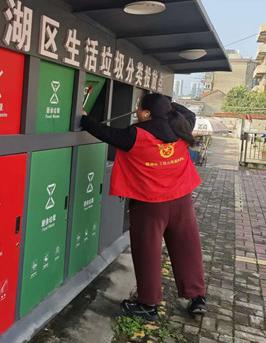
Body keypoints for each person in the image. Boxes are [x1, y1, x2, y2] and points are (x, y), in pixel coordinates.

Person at [81, 93, 206, 321]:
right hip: (182, 201)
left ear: (147, 113)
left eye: (139, 108)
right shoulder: (182, 126)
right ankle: (197, 296)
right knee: (187, 246)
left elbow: (105, 133)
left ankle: (148, 304)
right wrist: (167, 106)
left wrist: (84, 118)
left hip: (150, 205)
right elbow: (188, 113)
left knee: (147, 251)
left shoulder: (135, 134)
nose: (136, 112)